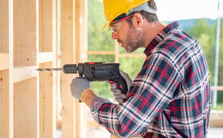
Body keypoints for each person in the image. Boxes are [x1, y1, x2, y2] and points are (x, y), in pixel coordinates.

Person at [70, 0, 211, 137]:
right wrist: (136, 95)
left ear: (137, 20)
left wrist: (86, 95)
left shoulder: (164, 56)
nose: (113, 35)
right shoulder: (185, 41)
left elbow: (123, 124)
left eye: (115, 28)